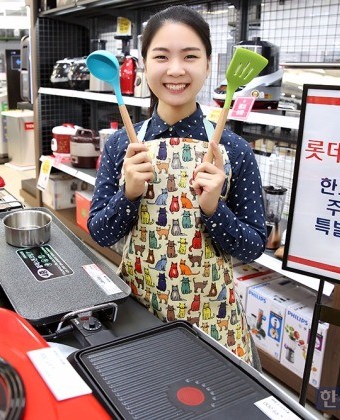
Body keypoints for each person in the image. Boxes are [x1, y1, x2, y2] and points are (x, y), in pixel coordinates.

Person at [88, 5, 266, 367]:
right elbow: (100, 233)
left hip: (212, 320)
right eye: (161, 56)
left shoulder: (233, 150)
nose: (175, 69)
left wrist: (216, 207)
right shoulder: (123, 145)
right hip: (139, 313)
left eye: (190, 56)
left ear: (208, 63)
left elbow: (252, 248)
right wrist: (129, 194)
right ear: (144, 64)